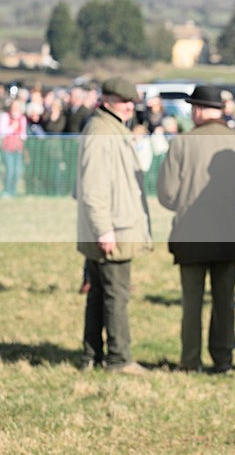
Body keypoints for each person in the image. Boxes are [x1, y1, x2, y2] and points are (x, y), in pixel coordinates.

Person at [157, 85, 235, 373]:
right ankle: (223, 359)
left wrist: (185, 205)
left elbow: (166, 193)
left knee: (192, 303)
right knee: (225, 303)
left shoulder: (181, 144)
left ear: (198, 109)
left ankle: (190, 360)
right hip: (231, 233)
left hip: (191, 234)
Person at [76, 77, 152, 374]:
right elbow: (94, 187)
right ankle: (119, 359)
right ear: (107, 100)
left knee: (98, 294)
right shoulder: (101, 131)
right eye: (124, 101)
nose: (129, 107)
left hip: (110, 226)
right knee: (115, 295)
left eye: (132, 102)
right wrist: (103, 229)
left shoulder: (109, 127)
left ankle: (91, 355)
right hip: (111, 230)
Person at [0, 99, 27, 197]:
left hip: (18, 148)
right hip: (7, 147)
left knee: (17, 171)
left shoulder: (22, 118)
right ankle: (7, 190)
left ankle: (13, 190)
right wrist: (12, 127)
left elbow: (24, 134)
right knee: (10, 170)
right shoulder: (5, 116)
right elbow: (2, 132)